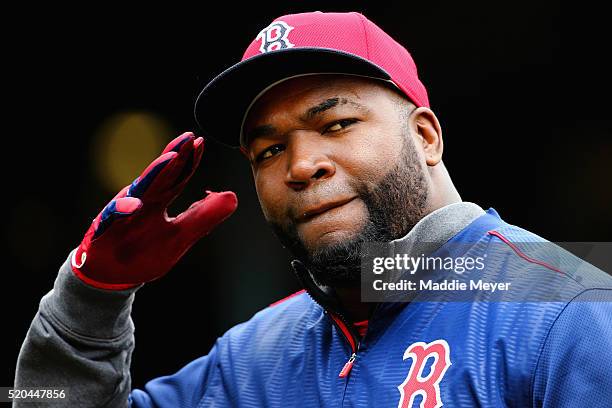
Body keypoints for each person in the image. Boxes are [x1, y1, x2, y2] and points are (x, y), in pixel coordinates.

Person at [14, 11, 612, 408]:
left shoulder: (569, 312)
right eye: (270, 149)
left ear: (426, 137)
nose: (301, 166)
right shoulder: (254, 354)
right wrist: (89, 300)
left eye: (336, 123)